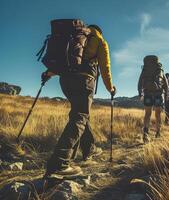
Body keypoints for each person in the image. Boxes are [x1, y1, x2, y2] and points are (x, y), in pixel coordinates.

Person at [43, 24, 116, 178]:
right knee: (80, 117)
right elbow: (105, 67)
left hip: (65, 81)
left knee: (81, 115)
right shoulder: (100, 40)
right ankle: (59, 164)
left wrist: (49, 73)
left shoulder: (75, 37)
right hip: (84, 81)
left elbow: (65, 58)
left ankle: (88, 150)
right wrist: (110, 88)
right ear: (99, 31)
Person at [138, 55, 169, 143]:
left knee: (147, 114)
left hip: (147, 93)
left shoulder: (145, 70)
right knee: (158, 114)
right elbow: (166, 84)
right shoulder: (160, 70)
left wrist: (140, 93)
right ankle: (158, 133)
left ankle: (145, 134)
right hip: (158, 94)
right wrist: (166, 94)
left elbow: (140, 82)